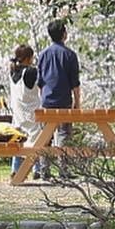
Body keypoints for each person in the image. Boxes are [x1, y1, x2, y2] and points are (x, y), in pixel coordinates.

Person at [35, 19, 81, 179]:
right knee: (64, 135)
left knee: (45, 136)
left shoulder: (43, 55)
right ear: (63, 34)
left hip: (47, 100)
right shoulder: (70, 55)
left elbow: (40, 82)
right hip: (64, 100)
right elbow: (75, 82)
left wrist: (42, 98)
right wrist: (77, 102)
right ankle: (63, 169)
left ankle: (44, 170)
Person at [8, 45, 42, 177]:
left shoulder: (13, 72)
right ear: (28, 58)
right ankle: (36, 169)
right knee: (36, 139)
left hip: (18, 112)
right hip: (31, 111)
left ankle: (16, 169)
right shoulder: (30, 72)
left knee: (19, 139)